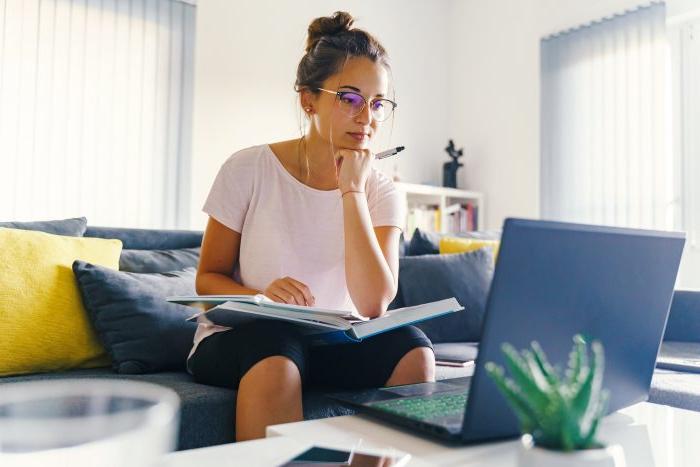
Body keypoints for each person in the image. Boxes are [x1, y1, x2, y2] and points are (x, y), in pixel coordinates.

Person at [187, 11, 435, 441]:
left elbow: (375, 303)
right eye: (350, 98)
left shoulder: (382, 190)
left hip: (331, 343)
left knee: (414, 349)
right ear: (308, 100)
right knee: (277, 348)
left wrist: (352, 191)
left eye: (378, 104)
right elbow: (207, 284)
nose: (367, 117)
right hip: (245, 339)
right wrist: (261, 297)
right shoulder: (247, 168)